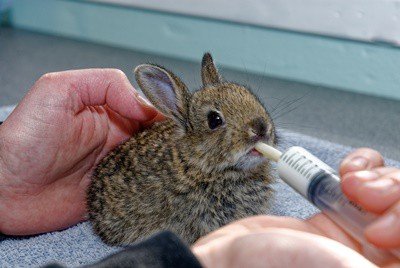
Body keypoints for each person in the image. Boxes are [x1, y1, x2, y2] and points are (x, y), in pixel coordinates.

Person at [0, 69, 398, 268]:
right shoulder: (181, 179)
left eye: (258, 120)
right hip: (128, 217)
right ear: (187, 126)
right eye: (217, 121)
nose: (259, 130)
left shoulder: (253, 170)